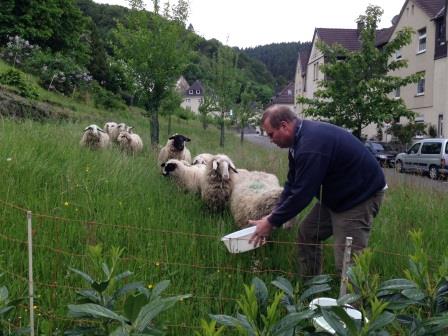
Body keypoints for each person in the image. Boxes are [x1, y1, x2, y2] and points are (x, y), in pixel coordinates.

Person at [249, 105, 386, 277]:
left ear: (284, 126)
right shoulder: (298, 142)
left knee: (347, 262)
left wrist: (271, 222)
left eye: (271, 134)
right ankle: (311, 287)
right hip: (337, 196)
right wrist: (274, 213)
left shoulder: (310, 145)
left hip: (358, 197)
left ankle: (353, 303)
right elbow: (292, 183)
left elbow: (302, 193)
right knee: (308, 233)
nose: (270, 140)